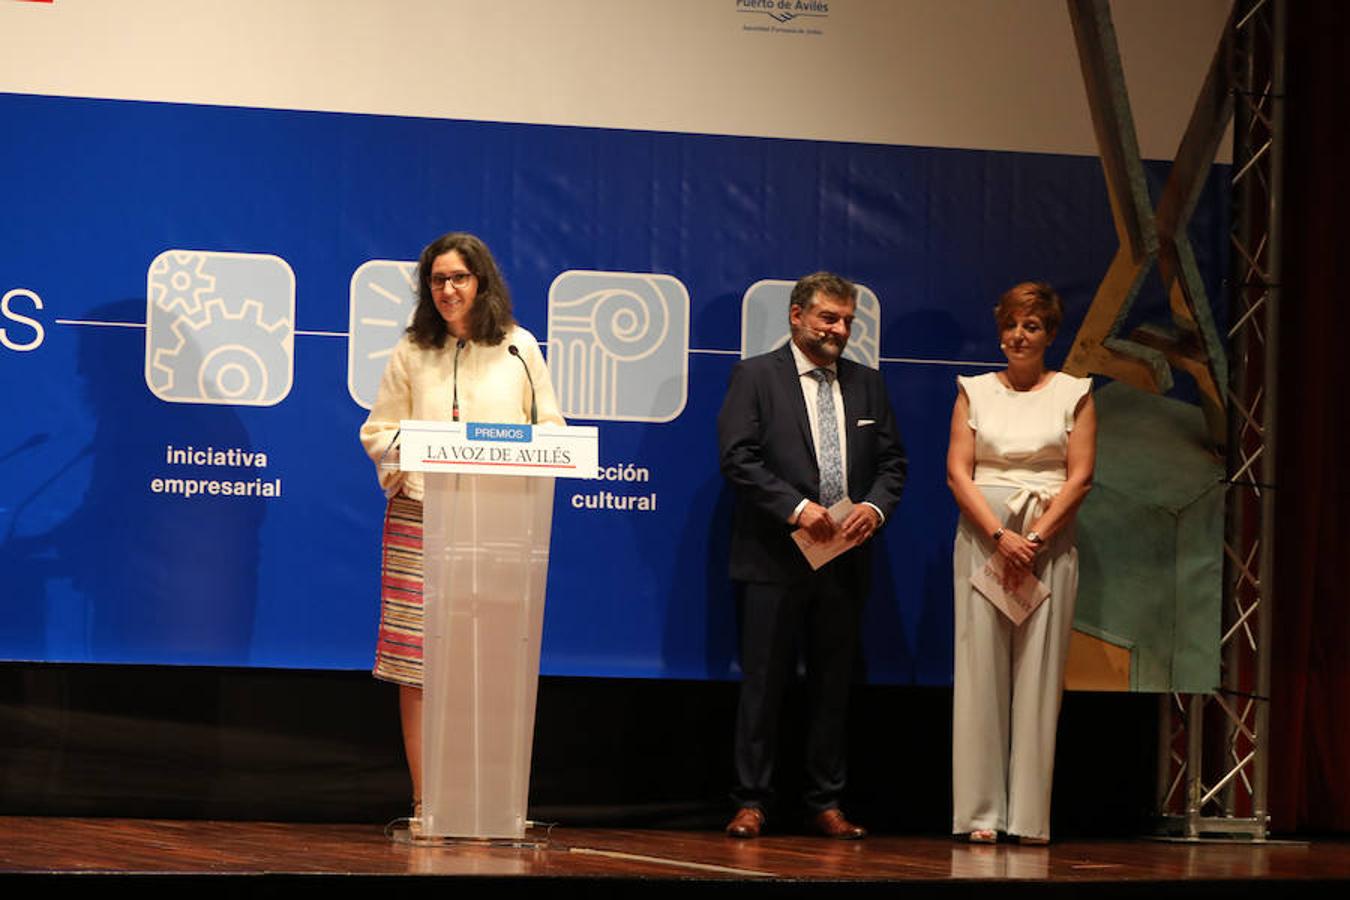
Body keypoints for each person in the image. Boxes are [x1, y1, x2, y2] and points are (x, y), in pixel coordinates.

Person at [358, 232, 564, 828]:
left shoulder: (519, 349)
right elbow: (379, 431)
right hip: (422, 518)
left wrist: (511, 453)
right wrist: (413, 457)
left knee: (492, 659)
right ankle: (427, 804)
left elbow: (550, 428)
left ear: (482, 282)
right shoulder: (412, 350)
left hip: (498, 522)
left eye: (459, 278)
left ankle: (493, 806)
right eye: (438, 280)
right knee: (417, 664)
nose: (448, 290)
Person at [717, 271, 907, 839]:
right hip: (774, 556)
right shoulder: (755, 376)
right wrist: (798, 508)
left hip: (845, 559)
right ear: (797, 316)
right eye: (828, 318)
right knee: (763, 685)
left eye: (847, 321)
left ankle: (825, 802)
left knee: (833, 685)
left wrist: (872, 509)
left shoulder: (869, 385)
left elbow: (894, 464)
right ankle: (751, 801)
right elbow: (738, 456)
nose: (839, 330)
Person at [946, 281, 1096, 844]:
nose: (1018, 336)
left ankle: (1029, 818)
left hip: (1047, 546)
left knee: (1038, 678)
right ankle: (981, 815)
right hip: (985, 542)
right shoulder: (974, 391)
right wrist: (998, 535)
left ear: (1050, 334)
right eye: (1011, 325)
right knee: (979, 674)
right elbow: (958, 471)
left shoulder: (1076, 393)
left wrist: (1031, 539)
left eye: (1030, 326)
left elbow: (1080, 476)